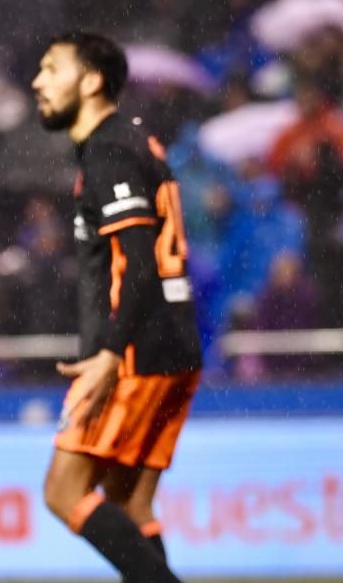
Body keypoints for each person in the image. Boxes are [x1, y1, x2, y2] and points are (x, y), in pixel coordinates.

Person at [31, 31, 202, 582]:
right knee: (130, 506)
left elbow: (137, 259)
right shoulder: (137, 142)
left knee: (63, 492)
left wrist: (107, 350)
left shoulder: (108, 149)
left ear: (92, 80)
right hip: (174, 342)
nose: (38, 81)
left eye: (52, 68)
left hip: (133, 351)